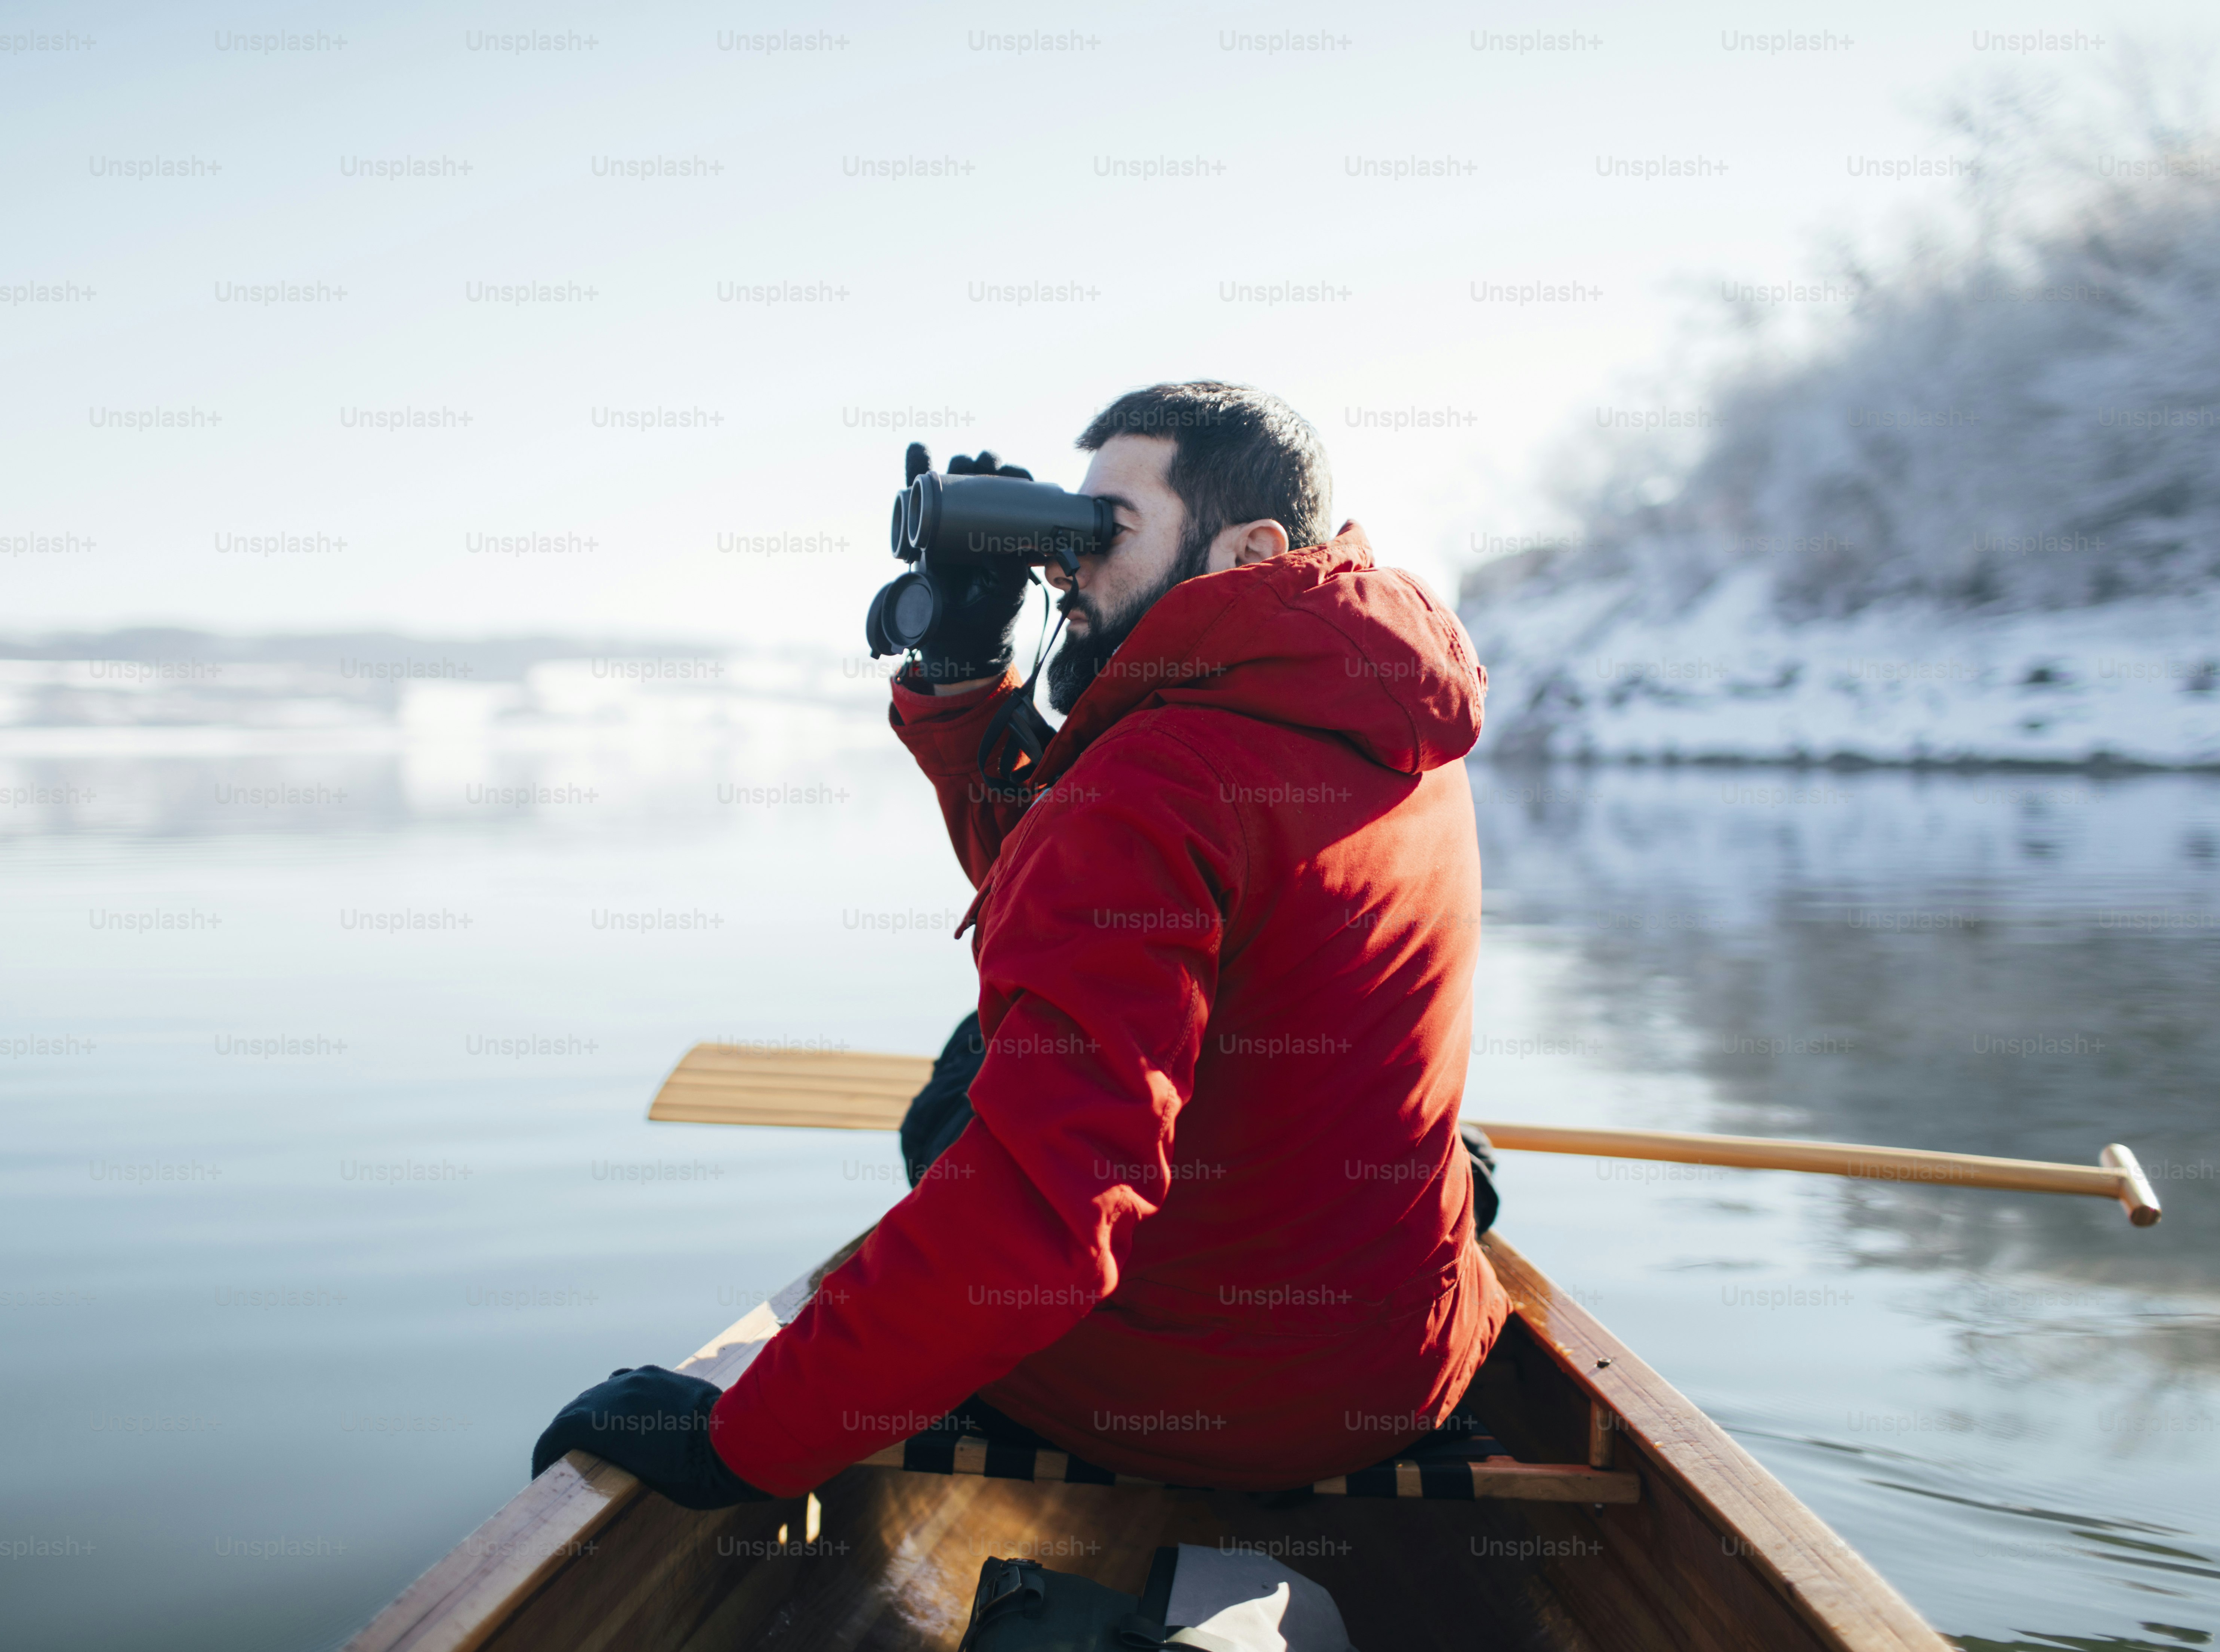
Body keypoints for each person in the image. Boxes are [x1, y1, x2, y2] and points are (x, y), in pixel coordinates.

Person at [533, 381, 1506, 1504]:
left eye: (1106, 530)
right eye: (1067, 526)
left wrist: (740, 1442)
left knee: (965, 1087)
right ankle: (1453, 1179)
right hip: (1404, 1365)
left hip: (1193, 1401)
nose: (1065, 564)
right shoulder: (1385, 712)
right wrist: (963, 681)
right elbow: (1088, 877)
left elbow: (1044, 1218)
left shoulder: (1157, 778)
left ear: (1251, 549)